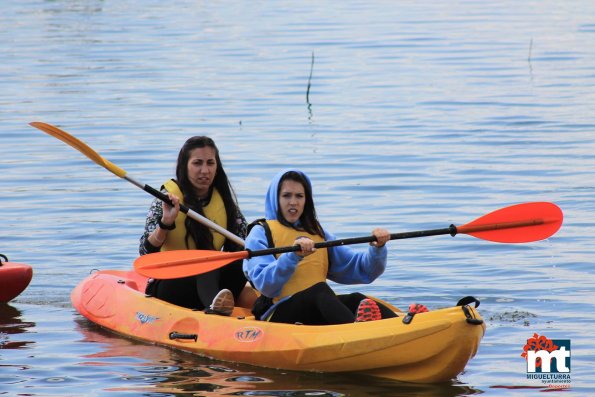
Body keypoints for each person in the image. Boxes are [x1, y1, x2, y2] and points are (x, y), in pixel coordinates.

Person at [243, 169, 403, 325]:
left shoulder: (316, 232)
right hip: (277, 313)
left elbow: (362, 270)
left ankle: (404, 324)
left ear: (307, 200)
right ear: (275, 199)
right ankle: (357, 331)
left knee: (356, 298)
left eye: (299, 196)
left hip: (314, 307)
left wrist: (377, 248)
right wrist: (293, 256)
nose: (293, 202)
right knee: (319, 291)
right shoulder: (260, 232)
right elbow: (266, 286)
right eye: (286, 195)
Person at [139, 136, 247, 315]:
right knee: (206, 263)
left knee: (241, 261)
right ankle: (214, 311)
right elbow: (145, 252)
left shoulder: (225, 202)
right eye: (197, 163)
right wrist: (165, 223)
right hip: (170, 282)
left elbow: (242, 242)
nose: (205, 170)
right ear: (185, 165)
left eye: (210, 163)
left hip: (211, 284)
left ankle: (221, 304)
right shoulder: (166, 199)